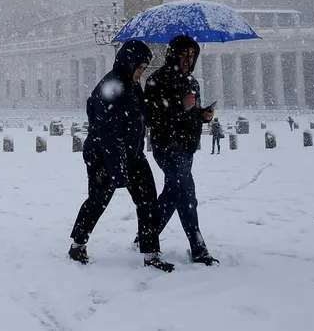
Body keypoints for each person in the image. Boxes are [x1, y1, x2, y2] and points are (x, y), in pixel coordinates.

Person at [68, 40, 174, 272]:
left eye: (145, 68)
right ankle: (77, 245)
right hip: (103, 156)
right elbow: (108, 134)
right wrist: (118, 171)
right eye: (140, 67)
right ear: (128, 62)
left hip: (133, 154)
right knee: (98, 200)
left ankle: (151, 253)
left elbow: (141, 117)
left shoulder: (132, 85)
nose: (142, 72)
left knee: (147, 200)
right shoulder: (109, 88)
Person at [143, 35, 219, 266]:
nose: (188, 59)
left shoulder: (192, 82)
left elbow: (190, 114)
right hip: (167, 145)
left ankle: (147, 234)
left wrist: (202, 115)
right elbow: (152, 118)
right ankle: (198, 247)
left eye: (193, 54)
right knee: (187, 193)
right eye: (184, 54)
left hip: (187, 146)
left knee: (172, 194)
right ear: (174, 54)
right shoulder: (156, 80)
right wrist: (180, 106)